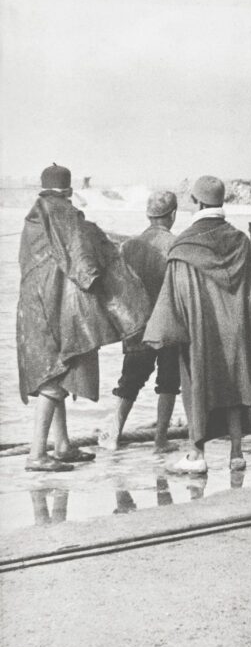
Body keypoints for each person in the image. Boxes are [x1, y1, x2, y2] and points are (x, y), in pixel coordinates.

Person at [17, 163, 150, 472]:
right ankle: (37, 454)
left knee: (57, 372)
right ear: (69, 190)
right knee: (55, 374)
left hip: (33, 308)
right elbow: (82, 261)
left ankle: (62, 447)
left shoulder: (34, 215)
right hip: (55, 307)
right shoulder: (63, 211)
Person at [143, 175, 251, 474]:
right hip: (237, 332)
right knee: (236, 387)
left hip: (201, 333)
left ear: (198, 203)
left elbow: (172, 300)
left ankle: (196, 455)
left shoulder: (185, 245)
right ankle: (237, 454)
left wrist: (160, 334)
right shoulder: (241, 242)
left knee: (197, 387)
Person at [98, 190, 181, 453]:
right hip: (168, 324)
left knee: (129, 381)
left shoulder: (129, 246)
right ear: (173, 215)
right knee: (168, 382)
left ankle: (113, 435)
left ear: (148, 215)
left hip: (136, 325)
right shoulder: (176, 246)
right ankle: (160, 441)